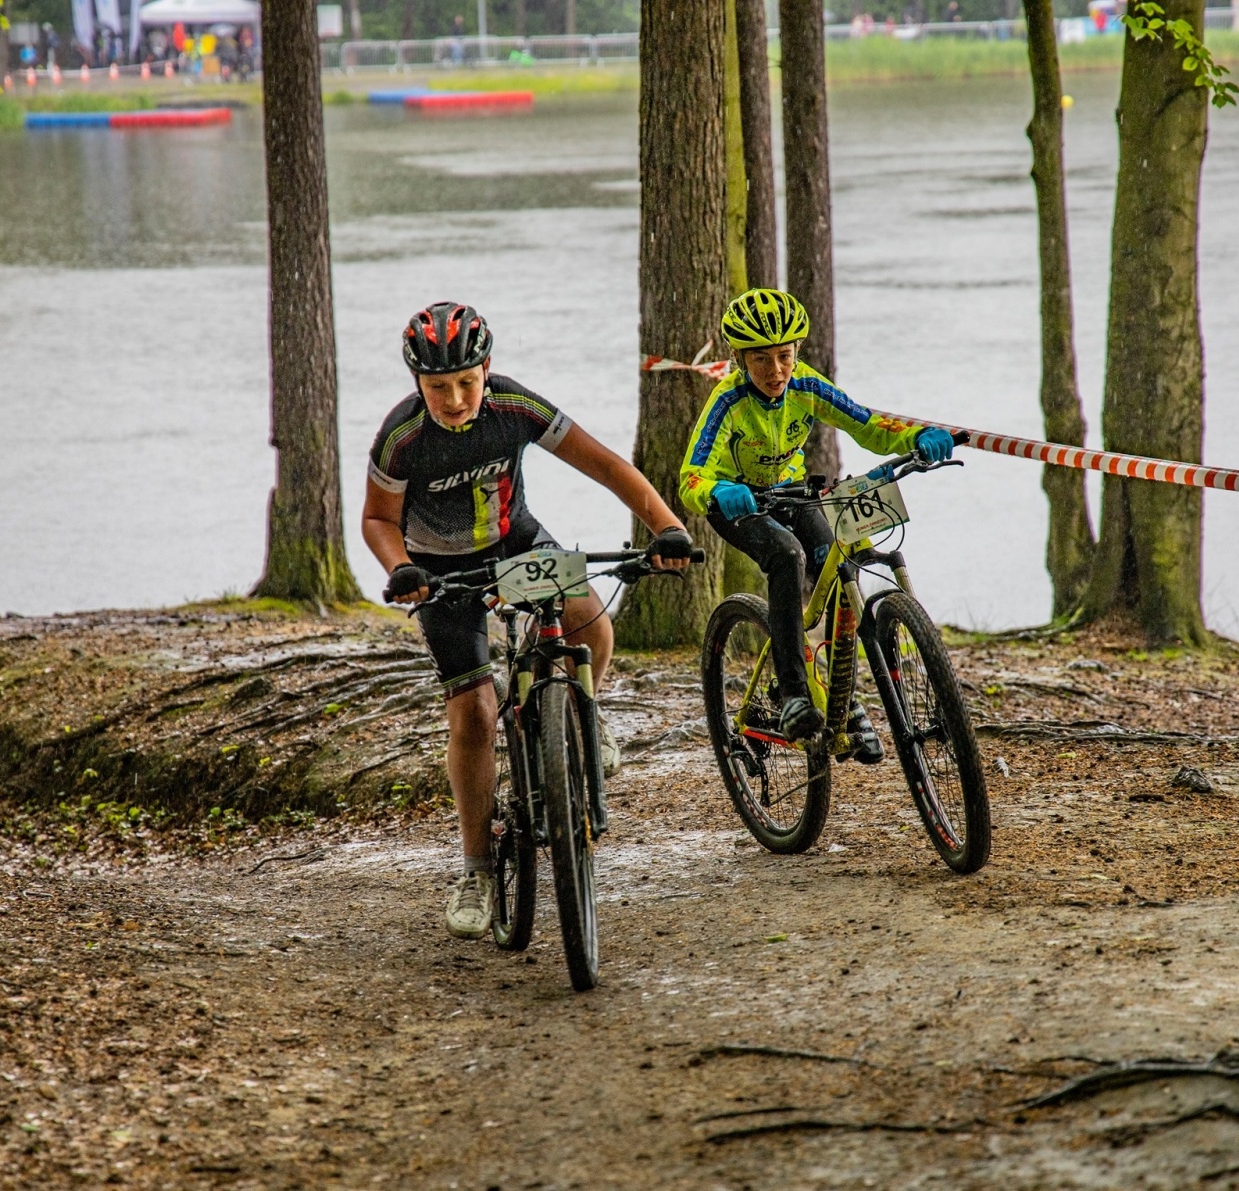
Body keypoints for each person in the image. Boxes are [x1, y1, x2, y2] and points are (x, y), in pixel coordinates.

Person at [363, 302, 693, 940]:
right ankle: (478, 870)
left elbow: (604, 466)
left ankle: (584, 723)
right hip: (440, 570)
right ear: (417, 385)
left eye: (467, 382)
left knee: (590, 622)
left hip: (516, 546)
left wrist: (667, 526)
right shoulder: (402, 438)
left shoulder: (516, 407)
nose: (455, 399)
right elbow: (377, 519)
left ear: (487, 369)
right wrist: (402, 568)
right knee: (477, 713)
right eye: (438, 388)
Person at [679, 289, 955, 753]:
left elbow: (865, 423)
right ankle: (793, 693)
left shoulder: (806, 384)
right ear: (740, 358)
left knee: (835, 557)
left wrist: (920, 435)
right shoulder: (728, 401)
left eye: (784, 356)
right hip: (738, 503)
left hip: (792, 491)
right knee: (786, 556)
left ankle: (840, 697)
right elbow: (690, 476)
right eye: (761, 359)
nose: (776, 371)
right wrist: (716, 490)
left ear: (797, 352)